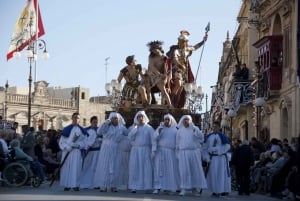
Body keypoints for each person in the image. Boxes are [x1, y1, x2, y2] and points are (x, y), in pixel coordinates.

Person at [166, 30, 208, 108]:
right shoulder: (176, 50)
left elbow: (195, 47)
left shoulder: (188, 49)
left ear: (185, 42)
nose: (180, 43)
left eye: (182, 41)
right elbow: (175, 58)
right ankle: (171, 100)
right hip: (177, 69)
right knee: (178, 84)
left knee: (182, 88)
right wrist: (179, 65)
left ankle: (177, 104)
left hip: (184, 71)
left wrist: (203, 41)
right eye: (180, 41)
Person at [93, 112, 128, 192]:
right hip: (106, 148)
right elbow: (99, 132)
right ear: (110, 119)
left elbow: (128, 134)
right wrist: (105, 123)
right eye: (113, 118)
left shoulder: (121, 128)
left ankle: (113, 186)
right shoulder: (107, 126)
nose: (115, 120)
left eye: (116, 118)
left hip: (116, 149)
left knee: (115, 167)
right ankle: (103, 185)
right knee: (105, 166)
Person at [175, 114, 207, 196]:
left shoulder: (195, 128)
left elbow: (201, 139)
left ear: (190, 121)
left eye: (187, 120)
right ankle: (184, 188)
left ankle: (196, 189)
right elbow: (177, 143)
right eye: (184, 120)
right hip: (183, 153)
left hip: (193, 153)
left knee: (195, 170)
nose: (186, 121)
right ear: (182, 121)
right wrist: (177, 153)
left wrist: (195, 132)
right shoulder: (179, 131)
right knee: (184, 171)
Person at [59, 112, 88, 191]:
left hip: (76, 152)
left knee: (76, 168)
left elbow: (85, 142)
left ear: (79, 120)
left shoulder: (82, 130)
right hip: (67, 151)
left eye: (77, 118)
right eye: (74, 117)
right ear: (72, 118)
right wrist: (67, 147)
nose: (76, 119)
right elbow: (61, 142)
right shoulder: (66, 129)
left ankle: (75, 184)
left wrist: (79, 145)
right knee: (66, 168)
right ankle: (67, 184)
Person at [152, 113, 179, 194]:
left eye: (168, 120)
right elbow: (154, 138)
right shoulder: (160, 129)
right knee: (159, 170)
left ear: (171, 121)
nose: (166, 121)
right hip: (161, 152)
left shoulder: (175, 130)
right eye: (165, 120)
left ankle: (171, 187)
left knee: (171, 170)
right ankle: (158, 187)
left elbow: (178, 142)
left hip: (171, 153)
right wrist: (158, 132)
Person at [128, 110, 154, 193]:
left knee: (146, 168)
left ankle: (147, 186)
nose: (140, 118)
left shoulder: (149, 128)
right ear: (137, 118)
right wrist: (134, 129)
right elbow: (129, 138)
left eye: (142, 116)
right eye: (139, 117)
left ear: (144, 117)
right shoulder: (134, 128)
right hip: (135, 151)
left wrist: (153, 150)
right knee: (135, 167)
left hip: (146, 150)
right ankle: (134, 186)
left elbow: (153, 140)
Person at [203, 121, 231, 197]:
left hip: (220, 158)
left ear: (219, 127)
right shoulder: (209, 137)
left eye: (216, 126)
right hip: (212, 159)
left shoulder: (223, 136)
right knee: (212, 175)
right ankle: (214, 190)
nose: (214, 128)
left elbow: (227, 146)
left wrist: (217, 150)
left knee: (220, 175)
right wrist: (206, 157)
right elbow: (205, 148)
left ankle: (221, 190)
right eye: (213, 126)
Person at [145, 41, 172, 107]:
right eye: (152, 50)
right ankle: (148, 103)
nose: (154, 51)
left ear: (159, 48)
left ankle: (169, 105)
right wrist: (158, 73)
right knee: (146, 86)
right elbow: (151, 66)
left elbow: (166, 69)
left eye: (155, 49)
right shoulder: (150, 57)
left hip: (160, 77)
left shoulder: (164, 58)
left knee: (163, 90)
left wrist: (164, 76)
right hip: (151, 75)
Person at [80, 116, 100, 189]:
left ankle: (96, 184)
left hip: (98, 152)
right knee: (87, 167)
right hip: (89, 151)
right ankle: (85, 182)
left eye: (96, 122)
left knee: (96, 168)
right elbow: (84, 140)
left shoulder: (99, 130)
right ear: (91, 122)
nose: (95, 123)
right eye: (94, 122)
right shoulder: (86, 130)